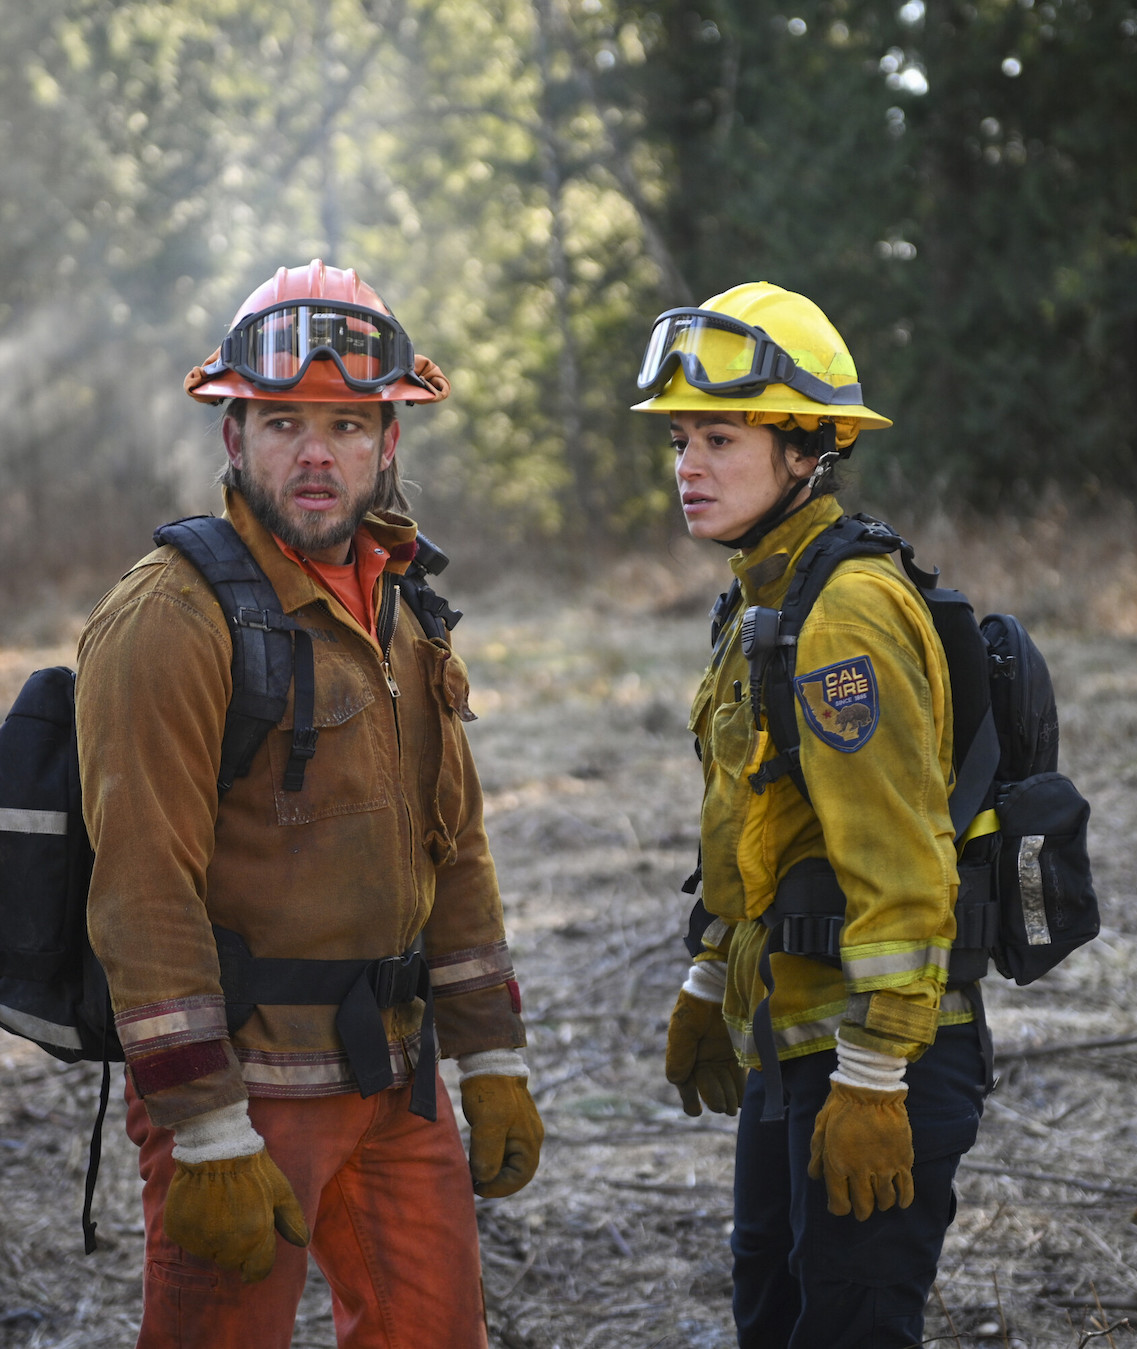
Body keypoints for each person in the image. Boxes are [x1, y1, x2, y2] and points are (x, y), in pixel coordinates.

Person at [74, 260, 542, 1348]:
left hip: (396, 1076)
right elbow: (141, 887)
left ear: (390, 439)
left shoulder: (405, 607)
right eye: (282, 421)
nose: (315, 452)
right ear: (232, 438)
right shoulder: (169, 619)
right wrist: (204, 1125)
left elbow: (455, 845)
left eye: (345, 422)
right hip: (250, 1096)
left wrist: (494, 1055)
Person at [641, 283, 988, 1347]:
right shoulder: (761, 597)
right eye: (682, 438)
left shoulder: (841, 614)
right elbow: (761, 829)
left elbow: (904, 863)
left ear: (807, 451)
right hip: (793, 1049)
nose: (687, 465)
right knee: (773, 1315)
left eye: (720, 437)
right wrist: (712, 970)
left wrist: (877, 1075)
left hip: (876, 1062)